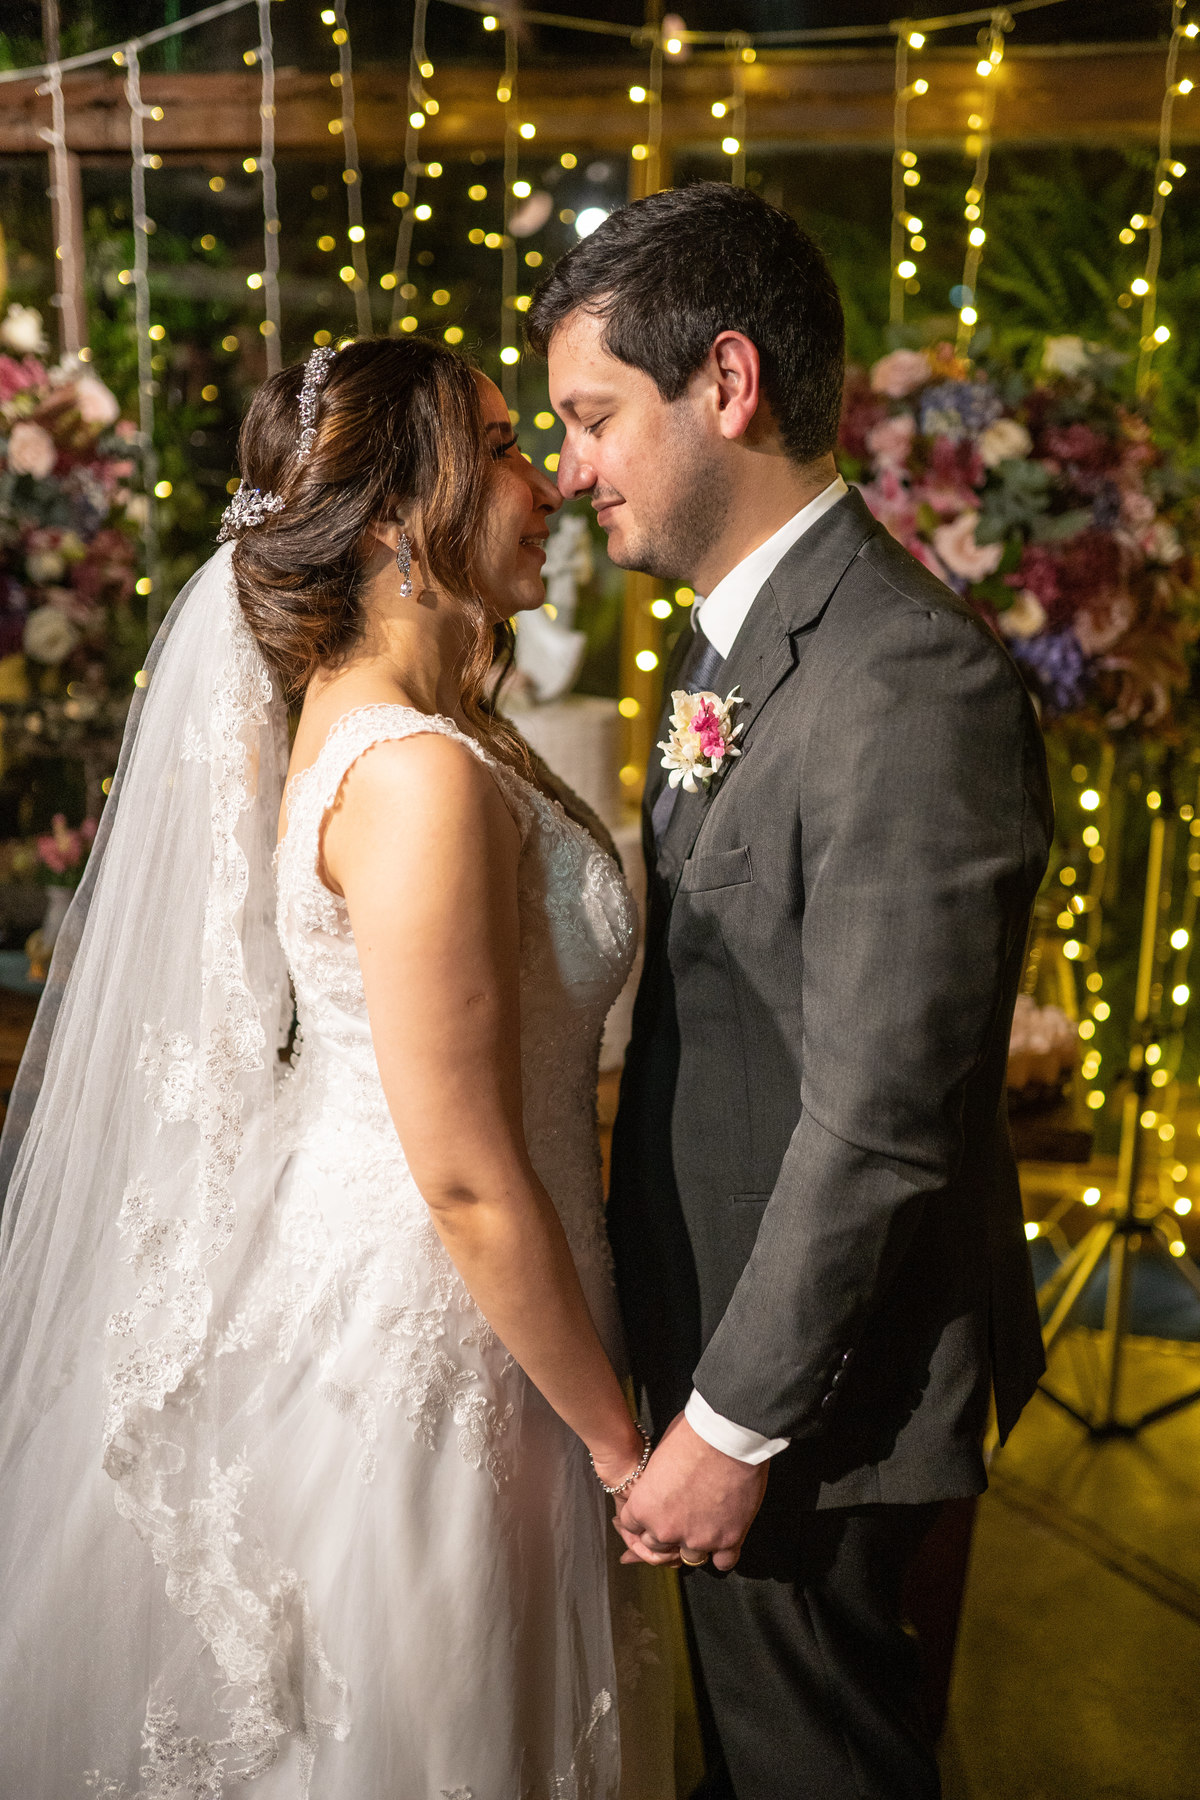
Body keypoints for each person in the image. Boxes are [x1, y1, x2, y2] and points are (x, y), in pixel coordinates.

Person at [0, 339, 675, 1798]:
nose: (545, 480)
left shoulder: (441, 732)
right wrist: (625, 1450)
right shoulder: (419, 774)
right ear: (389, 515)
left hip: (482, 1301)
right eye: (502, 448)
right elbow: (464, 1171)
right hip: (445, 1325)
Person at [527, 182, 1053, 1800]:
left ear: (727, 385)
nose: (571, 468)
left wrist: (733, 1425)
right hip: (741, 1362)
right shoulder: (736, 650)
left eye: (596, 417)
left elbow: (883, 1118)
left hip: (826, 1406)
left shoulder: (906, 678)